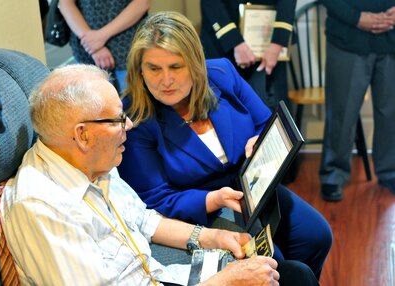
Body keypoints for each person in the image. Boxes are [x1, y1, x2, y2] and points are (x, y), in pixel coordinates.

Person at [0, 64, 320, 286]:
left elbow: (146, 221)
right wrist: (227, 280)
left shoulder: (90, 163)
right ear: (82, 135)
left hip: (160, 274)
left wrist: (213, 237)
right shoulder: (41, 208)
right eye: (117, 119)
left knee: (293, 273)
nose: (129, 126)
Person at [117, 11, 332, 281]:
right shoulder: (136, 118)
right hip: (202, 208)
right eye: (154, 69)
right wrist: (213, 199)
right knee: (274, 262)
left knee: (318, 236)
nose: (166, 80)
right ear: (140, 70)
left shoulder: (221, 72)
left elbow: (264, 121)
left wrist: (258, 140)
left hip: (251, 188)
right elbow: (157, 199)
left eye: (176, 66)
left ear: (195, 63)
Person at [318, 0, 395, 201]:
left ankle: (390, 171)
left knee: (391, 113)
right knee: (342, 113)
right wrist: (357, 18)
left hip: (392, 38)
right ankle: (333, 173)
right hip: (347, 37)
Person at [199, 0, 296, 111]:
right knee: (224, 110)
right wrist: (233, 40)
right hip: (221, 40)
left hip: (269, 41)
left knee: (272, 113)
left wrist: (277, 42)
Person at [58, 0, 151, 92]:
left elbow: (143, 3)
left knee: (133, 102)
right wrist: (92, 44)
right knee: (90, 102)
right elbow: (65, 3)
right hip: (86, 50)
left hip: (127, 49)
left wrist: (98, 38)